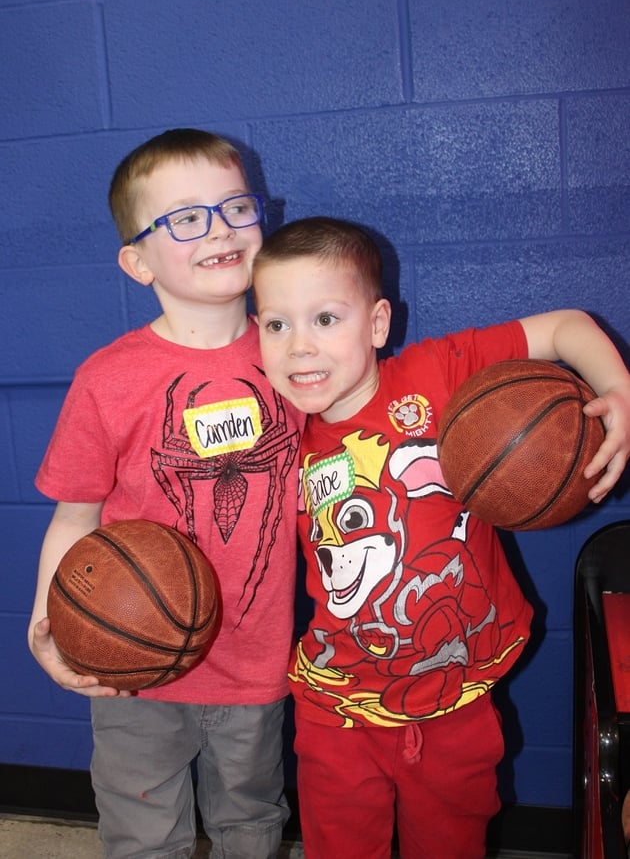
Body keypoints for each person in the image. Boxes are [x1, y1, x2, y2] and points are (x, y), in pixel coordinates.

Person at [252, 216, 630, 859]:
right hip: (339, 705)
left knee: (451, 843)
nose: (298, 347)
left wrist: (619, 386)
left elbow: (567, 326)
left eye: (324, 318)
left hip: (458, 694)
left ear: (377, 324)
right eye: (275, 324)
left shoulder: (436, 373)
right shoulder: (275, 437)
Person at [28, 128, 303, 859]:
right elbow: (75, 516)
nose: (218, 229)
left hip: (257, 661)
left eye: (236, 207)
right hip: (132, 666)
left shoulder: (297, 356)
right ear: (137, 260)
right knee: (144, 834)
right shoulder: (107, 378)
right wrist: (47, 619)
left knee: (251, 821)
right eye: (185, 218)